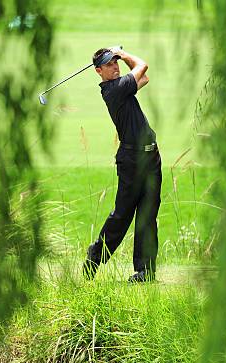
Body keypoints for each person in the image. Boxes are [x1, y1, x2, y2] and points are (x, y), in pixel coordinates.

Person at [83, 47, 162, 282]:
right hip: (132, 161)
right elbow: (143, 66)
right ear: (98, 71)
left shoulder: (123, 88)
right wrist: (124, 53)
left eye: (116, 62)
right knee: (122, 215)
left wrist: (120, 57)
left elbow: (143, 78)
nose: (115, 67)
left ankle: (145, 271)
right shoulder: (113, 90)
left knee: (148, 214)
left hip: (151, 157)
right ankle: (95, 255)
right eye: (109, 64)